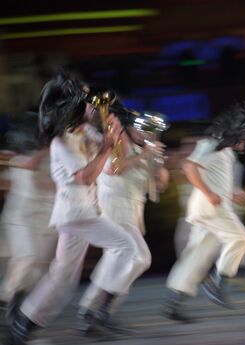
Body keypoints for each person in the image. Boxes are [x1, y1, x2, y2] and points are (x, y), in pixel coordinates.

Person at [6, 72, 138, 345]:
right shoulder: (61, 142)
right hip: (75, 213)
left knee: (63, 277)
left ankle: (24, 323)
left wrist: (115, 131)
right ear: (74, 108)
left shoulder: (85, 132)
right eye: (88, 103)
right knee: (126, 246)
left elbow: (115, 164)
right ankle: (99, 310)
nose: (93, 106)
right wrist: (104, 148)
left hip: (83, 212)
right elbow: (86, 177)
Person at [75, 102, 169, 333]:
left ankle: (91, 310)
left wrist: (157, 164)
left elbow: (159, 188)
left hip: (132, 210)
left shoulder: (142, 149)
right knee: (140, 258)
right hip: (115, 207)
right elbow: (112, 169)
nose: (146, 133)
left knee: (116, 261)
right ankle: (102, 310)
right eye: (141, 128)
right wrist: (144, 155)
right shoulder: (117, 142)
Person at [163, 101, 245, 321]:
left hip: (212, 206)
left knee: (197, 255)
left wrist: (230, 193)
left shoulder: (225, 151)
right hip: (210, 207)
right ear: (237, 131)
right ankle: (219, 283)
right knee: (242, 239)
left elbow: (213, 177)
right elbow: (189, 167)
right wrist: (209, 193)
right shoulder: (210, 144)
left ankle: (174, 304)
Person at [0, 121, 56, 323]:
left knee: (37, 268)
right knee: (26, 257)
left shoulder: (47, 160)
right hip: (18, 220)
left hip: (38, 221)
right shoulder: (19, 159)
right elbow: (27, 167)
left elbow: (45, 185)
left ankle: (15, 302)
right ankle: (6, 299)